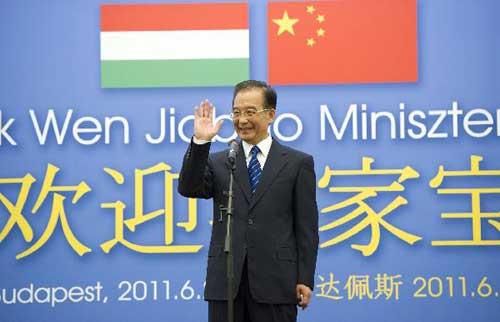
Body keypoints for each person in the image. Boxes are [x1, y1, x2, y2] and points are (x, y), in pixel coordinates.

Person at [178, 80, 319, 322]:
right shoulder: (221, 160)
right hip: (226, 285)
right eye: (236, 112)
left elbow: (306, 228)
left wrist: (304, 278)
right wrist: (201, 142)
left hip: (276, 285)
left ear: (271, 114)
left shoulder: (297, 163)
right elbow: (189, 188)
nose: (242, 120)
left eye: (250, 112)